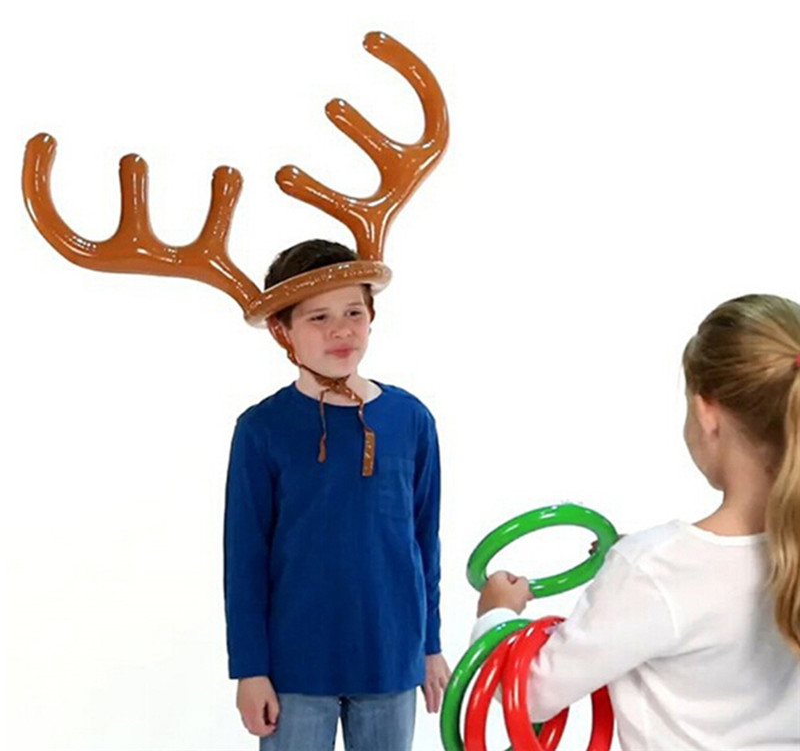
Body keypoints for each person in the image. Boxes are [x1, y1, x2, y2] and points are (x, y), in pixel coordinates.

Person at [474, 293, 800, 750]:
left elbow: (528, 695)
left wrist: (496, 613)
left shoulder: (652, 569)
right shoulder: (655, 569)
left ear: (706, 413)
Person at [224, 239, 450, 751]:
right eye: (318, 318)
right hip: (295, 664)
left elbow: (423, 542)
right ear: (282, 330)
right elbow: (245, 558)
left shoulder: (411, 420)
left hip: (390, 656)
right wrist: (250, 669)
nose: (341, 330)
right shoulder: (262, 429)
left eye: (353, 312)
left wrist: (430, 644)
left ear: (372, 315)